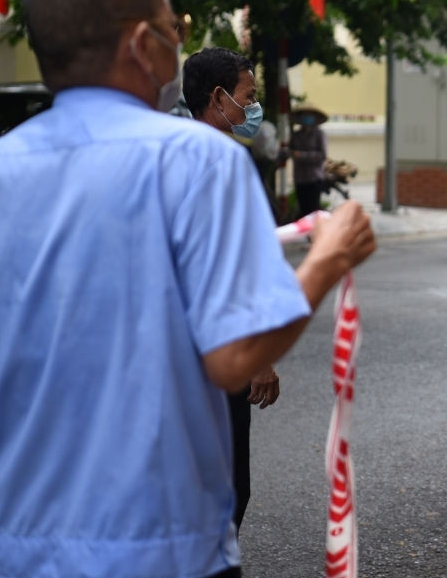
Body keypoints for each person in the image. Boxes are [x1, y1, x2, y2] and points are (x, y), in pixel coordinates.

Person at [0, 0, 376, 578]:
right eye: (174, 29)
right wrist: (326, 261)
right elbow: (235, 356)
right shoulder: (201, 162)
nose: (179, 44)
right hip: (162, 551)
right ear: (142, 43)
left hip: (20, 553)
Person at [183, 46, 283, 531]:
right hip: (218, 358)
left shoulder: (170, 154)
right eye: (249, 96)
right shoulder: (221, 164)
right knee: (226, 490)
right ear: (219, 97)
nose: (252, 107)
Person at [290, 104, 329, 217]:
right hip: (300, 178)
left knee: (313, 210)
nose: (306, 117)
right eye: (304, 115)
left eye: (309, 115)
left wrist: (301, 155)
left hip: (314, 178)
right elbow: (290, 151)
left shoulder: (319, 134)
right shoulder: (296, 135)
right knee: (303, 210)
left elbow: (322, 155)